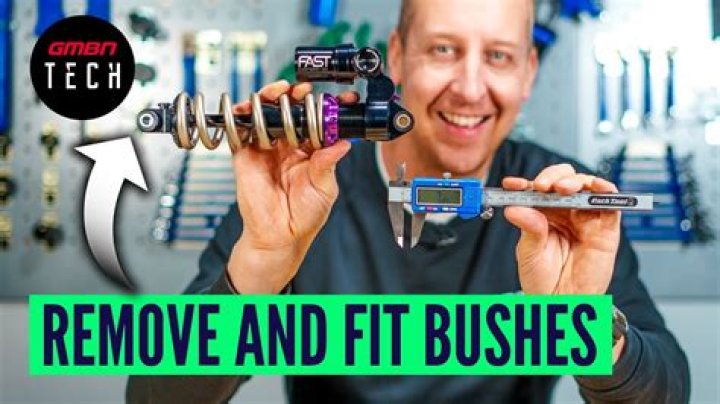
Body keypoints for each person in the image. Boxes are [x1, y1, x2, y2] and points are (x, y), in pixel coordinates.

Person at [127, 0, 690, 402]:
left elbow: (668, 387)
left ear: (528, 72)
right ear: (395, 57)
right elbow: (154, 396)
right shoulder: (292, 190)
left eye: (499, 56)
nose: (470, 88)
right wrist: (258, 269)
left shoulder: (566, 206)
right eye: (443, 49)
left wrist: (586, 328)